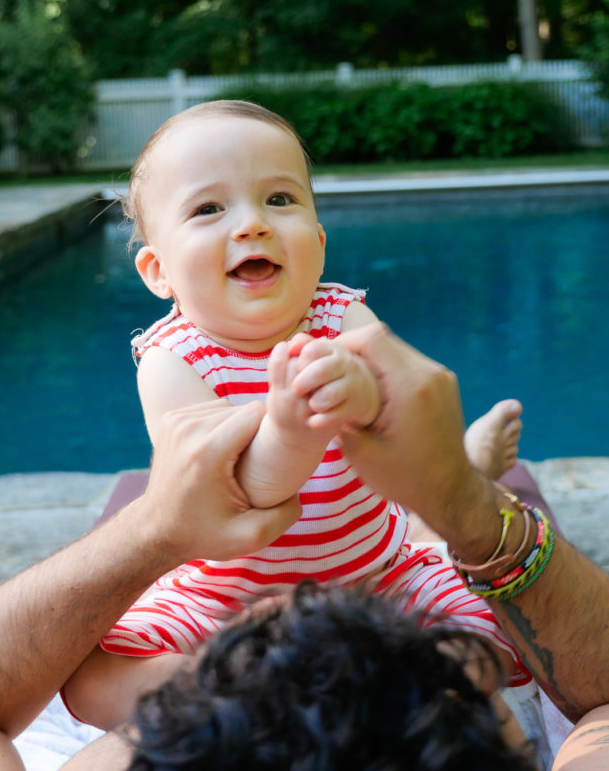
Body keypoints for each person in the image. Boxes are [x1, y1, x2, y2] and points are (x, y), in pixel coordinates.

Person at [0, 324, 609, 771]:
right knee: (415, 546)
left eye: (217, 670)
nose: (296, 597)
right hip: (418, 537)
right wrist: (462, 501)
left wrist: (157, 525)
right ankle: (462, 473)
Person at [61, 99, 528, 731]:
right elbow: (240, 496)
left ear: (319, 242)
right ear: (157, 270)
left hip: (375, 574)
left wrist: (361, 393)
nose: (252, 224)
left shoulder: (342, 318)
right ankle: (252, 681)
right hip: (222, 600)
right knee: (88, 679)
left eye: (279, 200)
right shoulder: (172, 362)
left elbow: (400, 414)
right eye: (208, 210)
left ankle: (464, 475)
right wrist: (287, 427)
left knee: (499, 640)